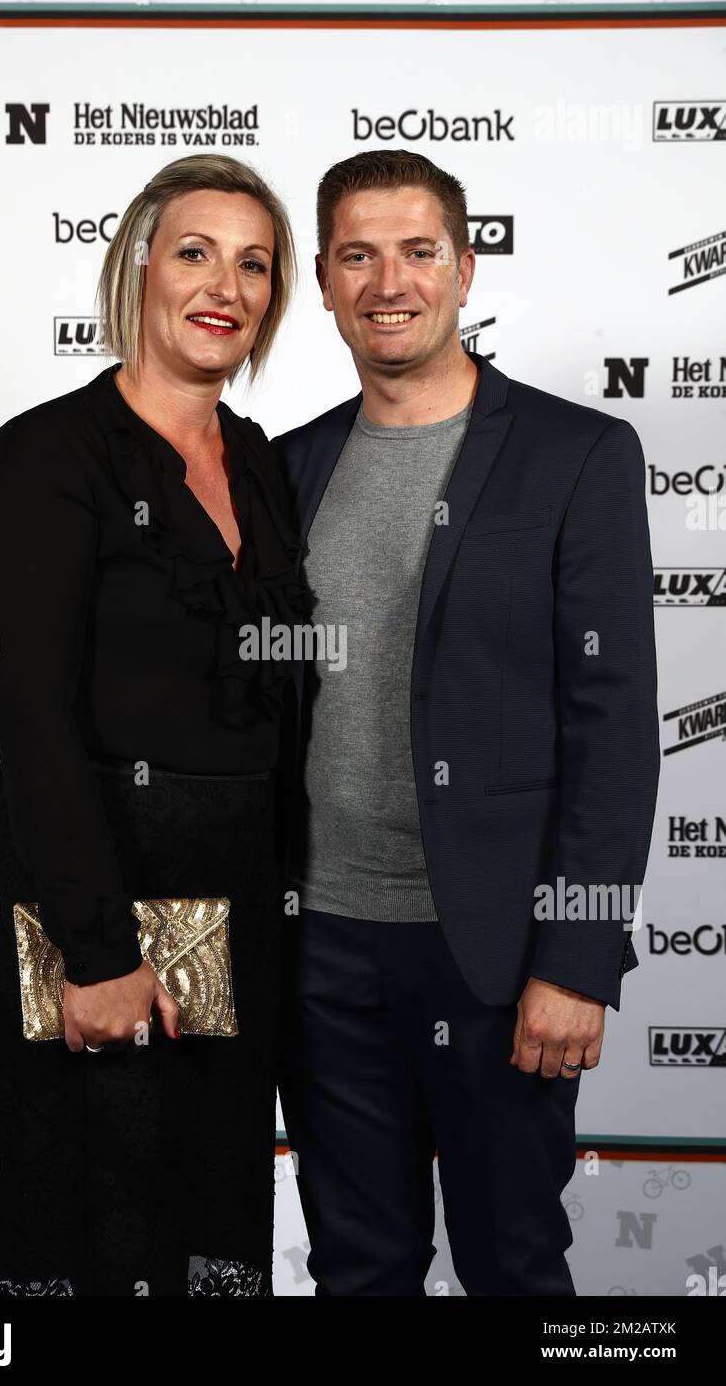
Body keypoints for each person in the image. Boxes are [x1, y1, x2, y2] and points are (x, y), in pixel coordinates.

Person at [272, 149, 660, 1296]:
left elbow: (614, 721)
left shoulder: (576, 454)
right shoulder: (288, 466)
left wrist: (577, 958)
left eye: (416, 250)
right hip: (323, 950)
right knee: (357, 1265)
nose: (388, 280)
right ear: (327, 284)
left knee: (512, 1264)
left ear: (463, 267)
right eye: (357, 255)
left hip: (496, 953)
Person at [0, 153, 311, 1297]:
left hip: (231, 890)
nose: (226, 284)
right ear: (138, 269)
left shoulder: (258, 461)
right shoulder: (46, 456)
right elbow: (33, 717)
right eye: (195, 252)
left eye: (253, 263)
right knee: (78, 1231)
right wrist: (99, 951)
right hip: (87, 885)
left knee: (210, 1232)